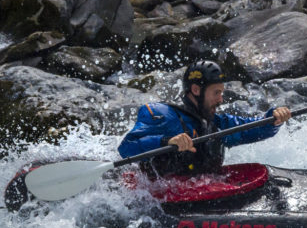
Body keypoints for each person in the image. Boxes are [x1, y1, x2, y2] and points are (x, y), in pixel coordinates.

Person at [118, 60, 291, 176]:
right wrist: (166, 142)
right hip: (159, 203)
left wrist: (273, 119)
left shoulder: (216, 123)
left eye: (221, 93)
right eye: (216, 93)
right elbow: (126, 148)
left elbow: (254, 128)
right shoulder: (164, 116)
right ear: (196, 90)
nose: (221, 99)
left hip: (201, 196)